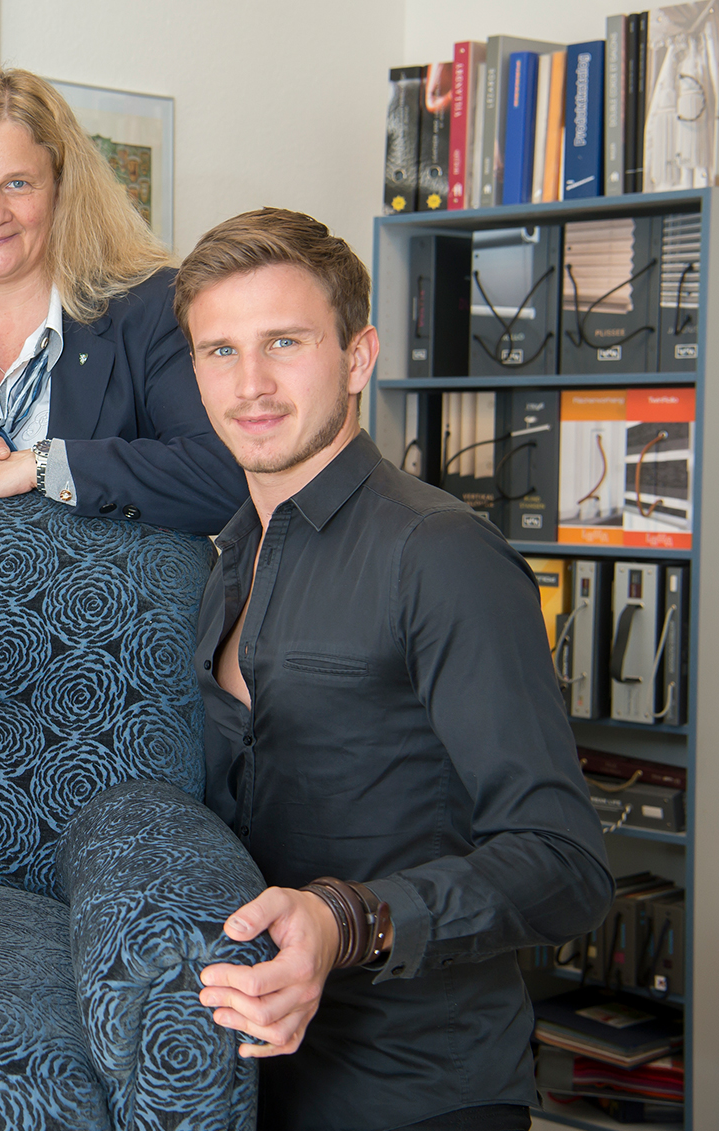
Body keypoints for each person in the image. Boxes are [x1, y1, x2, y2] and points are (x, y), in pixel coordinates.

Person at [178, 208, 612, 1130]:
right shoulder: (227, 553)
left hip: (420, 1090)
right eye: (219, 351)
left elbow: (566, 863)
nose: (249, 383)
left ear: (358, 356)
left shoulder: (440, 552)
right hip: (252, 1083)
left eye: (284, 342)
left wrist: (349, 921)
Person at [0, 67, 245, 533]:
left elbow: (224, 481)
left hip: (104, 601)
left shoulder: (152, 308)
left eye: (18, 184)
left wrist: (44, 466)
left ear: (60, 186)